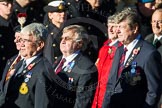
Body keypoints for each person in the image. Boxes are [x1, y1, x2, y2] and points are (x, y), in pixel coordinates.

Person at [102, 8, 162, 108]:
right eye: (117, 26)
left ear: (134, 28)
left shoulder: (149, 53)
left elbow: (153, 92)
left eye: (121, 27)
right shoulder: (119, 50)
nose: (117, 31)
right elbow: (111, 84)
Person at [0, 23, 54, 108]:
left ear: (40, 45)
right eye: (21, 40)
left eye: (25, 41)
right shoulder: (19, 63)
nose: (21, 44)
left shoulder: (43, 70)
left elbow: (41, 104)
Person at [52, 25, 98, 108]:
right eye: (62, 38)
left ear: (79, 44)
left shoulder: (86, 67)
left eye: (68, 38)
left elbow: (82, 103)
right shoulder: (58, 61)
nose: (62, 41)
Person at [92, 14, 122, 108]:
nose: (111, 29)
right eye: (109, 26)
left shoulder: (121, 49)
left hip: (109, 99)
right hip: (97, 98)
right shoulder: (104, 47)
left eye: (114, 26)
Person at [145, 8, 162, 108]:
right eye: (154, 21)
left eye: (160, 22)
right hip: (147, 94)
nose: (156, 25)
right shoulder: (148, 39)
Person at [43, 0, 67, 64]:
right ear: (50, 15)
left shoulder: (69, 31)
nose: (63, 14)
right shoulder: (45, 32)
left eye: (64, 11)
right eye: (58, 12)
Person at [0, 0, 17, 80]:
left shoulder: (17, 22)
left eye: (11, 3)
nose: (9, 6)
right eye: (5, 4)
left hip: (14, 67)